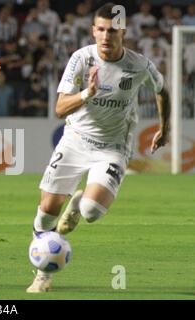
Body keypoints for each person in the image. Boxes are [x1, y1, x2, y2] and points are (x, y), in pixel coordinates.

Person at [26, 3, 170, 293]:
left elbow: (162, 90)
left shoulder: (139, 65)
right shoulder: (81, 59)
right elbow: (59, 107)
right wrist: (86, 93)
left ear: (124, 33)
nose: (106, 36)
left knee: (91, 211)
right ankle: (42, 273)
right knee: (47, 211)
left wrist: (164, 129)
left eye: (112, 30)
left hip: (113, 147)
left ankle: (78, 202)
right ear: (93, 31)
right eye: (101, 29)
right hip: (75, 140)